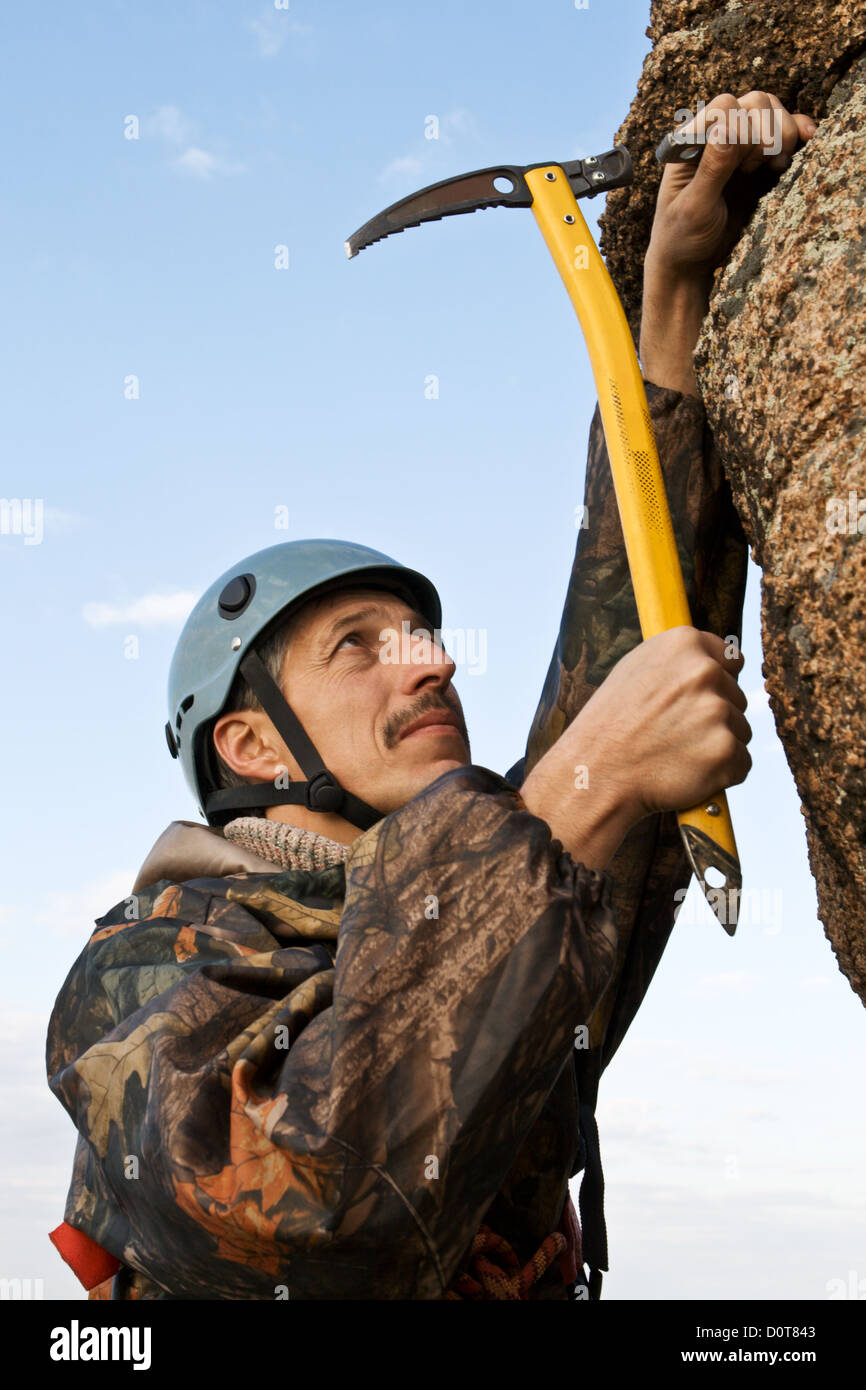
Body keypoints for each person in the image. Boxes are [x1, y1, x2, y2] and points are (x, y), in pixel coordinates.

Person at [46, 93, 816, 1301]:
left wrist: (672, 305)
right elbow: (301, 1201)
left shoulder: (500, 884)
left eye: (425, 634)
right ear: (250, 741)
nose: (432, 660)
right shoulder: (148, 963)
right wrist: (583, 786)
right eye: (359, 647)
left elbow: (621, 644)